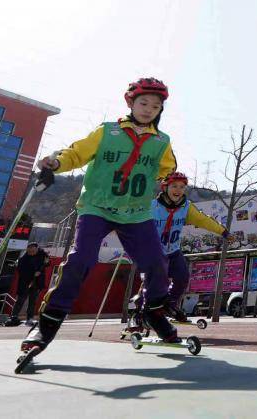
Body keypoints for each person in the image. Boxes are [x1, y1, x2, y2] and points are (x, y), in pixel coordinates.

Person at [22, 78, 181, 357]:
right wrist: (56, 163)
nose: (148, 109)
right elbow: (77, 153)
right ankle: (45, 325)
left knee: (157, 263)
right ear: (130, 102)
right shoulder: (107, 132)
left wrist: (164, 181)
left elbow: (167, 169)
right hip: (97, 207)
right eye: (143, 103)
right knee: (80, 260)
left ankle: (154, 312)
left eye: (155, 106)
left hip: (136, 213)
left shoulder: (161, 142)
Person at [128, 171, 228, 327]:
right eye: (174, 186)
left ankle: (170, 305)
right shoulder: (152, 206)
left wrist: (222, 231)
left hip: (173, 251)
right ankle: (140, 313)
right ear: (165, 187)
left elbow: (203, 220)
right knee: (154, 284)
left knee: (182, 277)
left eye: (182, 187)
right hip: (153, 252)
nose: (178, 190)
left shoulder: (186, 207)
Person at [3, 243, 49, 326]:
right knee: (20, 300)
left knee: (33, 302)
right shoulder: (23, 259)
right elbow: (21, 271)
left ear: (37, 249)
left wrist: (46, 262)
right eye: (30, 250)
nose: (31, 252)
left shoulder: (42, 256)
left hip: (37, 283)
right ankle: (13, 317)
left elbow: (47, 263)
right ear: (27, 250)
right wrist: (33, 274)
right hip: (25, 283)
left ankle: (30, 319)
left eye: (33, 250)